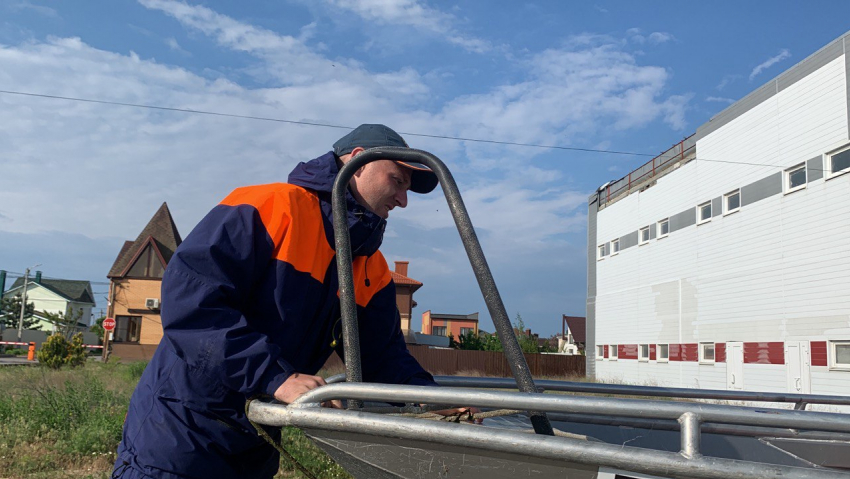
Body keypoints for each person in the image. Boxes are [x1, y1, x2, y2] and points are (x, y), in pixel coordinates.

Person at [113, 124, 453, 478]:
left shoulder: (370, 267)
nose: (403, 200)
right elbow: (192, 303)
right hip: (178, 433)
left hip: (255, 443)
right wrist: (277, 377)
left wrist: (432, 399)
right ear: (358, 161)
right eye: (397, 181)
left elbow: (383, 356)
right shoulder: (269, 208)